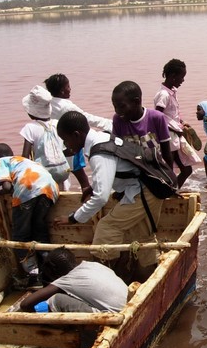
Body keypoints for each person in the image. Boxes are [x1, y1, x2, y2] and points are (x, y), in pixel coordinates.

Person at [53, 110, 165, 283]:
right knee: (142, 235)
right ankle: (149, 278)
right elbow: (114, 172)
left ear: (76, 135)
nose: (66, 145)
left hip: (143, 192)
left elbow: (101, 198)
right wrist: (94, 187)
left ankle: (106, 281)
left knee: (106, 229)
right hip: (151, 188)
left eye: (65, 140)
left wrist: (74, 218)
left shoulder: (99, 152)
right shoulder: (103, 137)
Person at [0, 143, 59, 286]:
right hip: (50, 189)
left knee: (20, 236)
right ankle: (51, 274)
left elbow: (7, 187)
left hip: (28, 188)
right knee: (40, 232)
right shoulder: (22, 160)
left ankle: (33, 276)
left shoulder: (1, 161)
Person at [20, 247, 128, 313]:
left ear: (53, 271)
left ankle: (80, 343)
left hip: (115, 317)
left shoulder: (66, 280)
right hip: (130, 306)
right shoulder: (93, 265)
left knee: (56, 300)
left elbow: (25, 305)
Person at [154, 59, 199, 188]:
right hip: (168, 137)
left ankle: (172, 192)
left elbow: (171, 115)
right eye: (182, 77)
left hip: (175, 136)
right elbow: (158, 116)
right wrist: (174, 129)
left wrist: (181, 123)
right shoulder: (163, 94)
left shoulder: (171, 92)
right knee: (169, 170)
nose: (183, 80)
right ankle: (167, 194)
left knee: (186, 170)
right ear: (173, 76)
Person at [44, 73, 112, 131]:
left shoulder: (47, 103)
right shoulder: (66, 107)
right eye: (68, 86)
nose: (70, 89)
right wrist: (110, 123)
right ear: (62, 91)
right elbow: (87, 119)